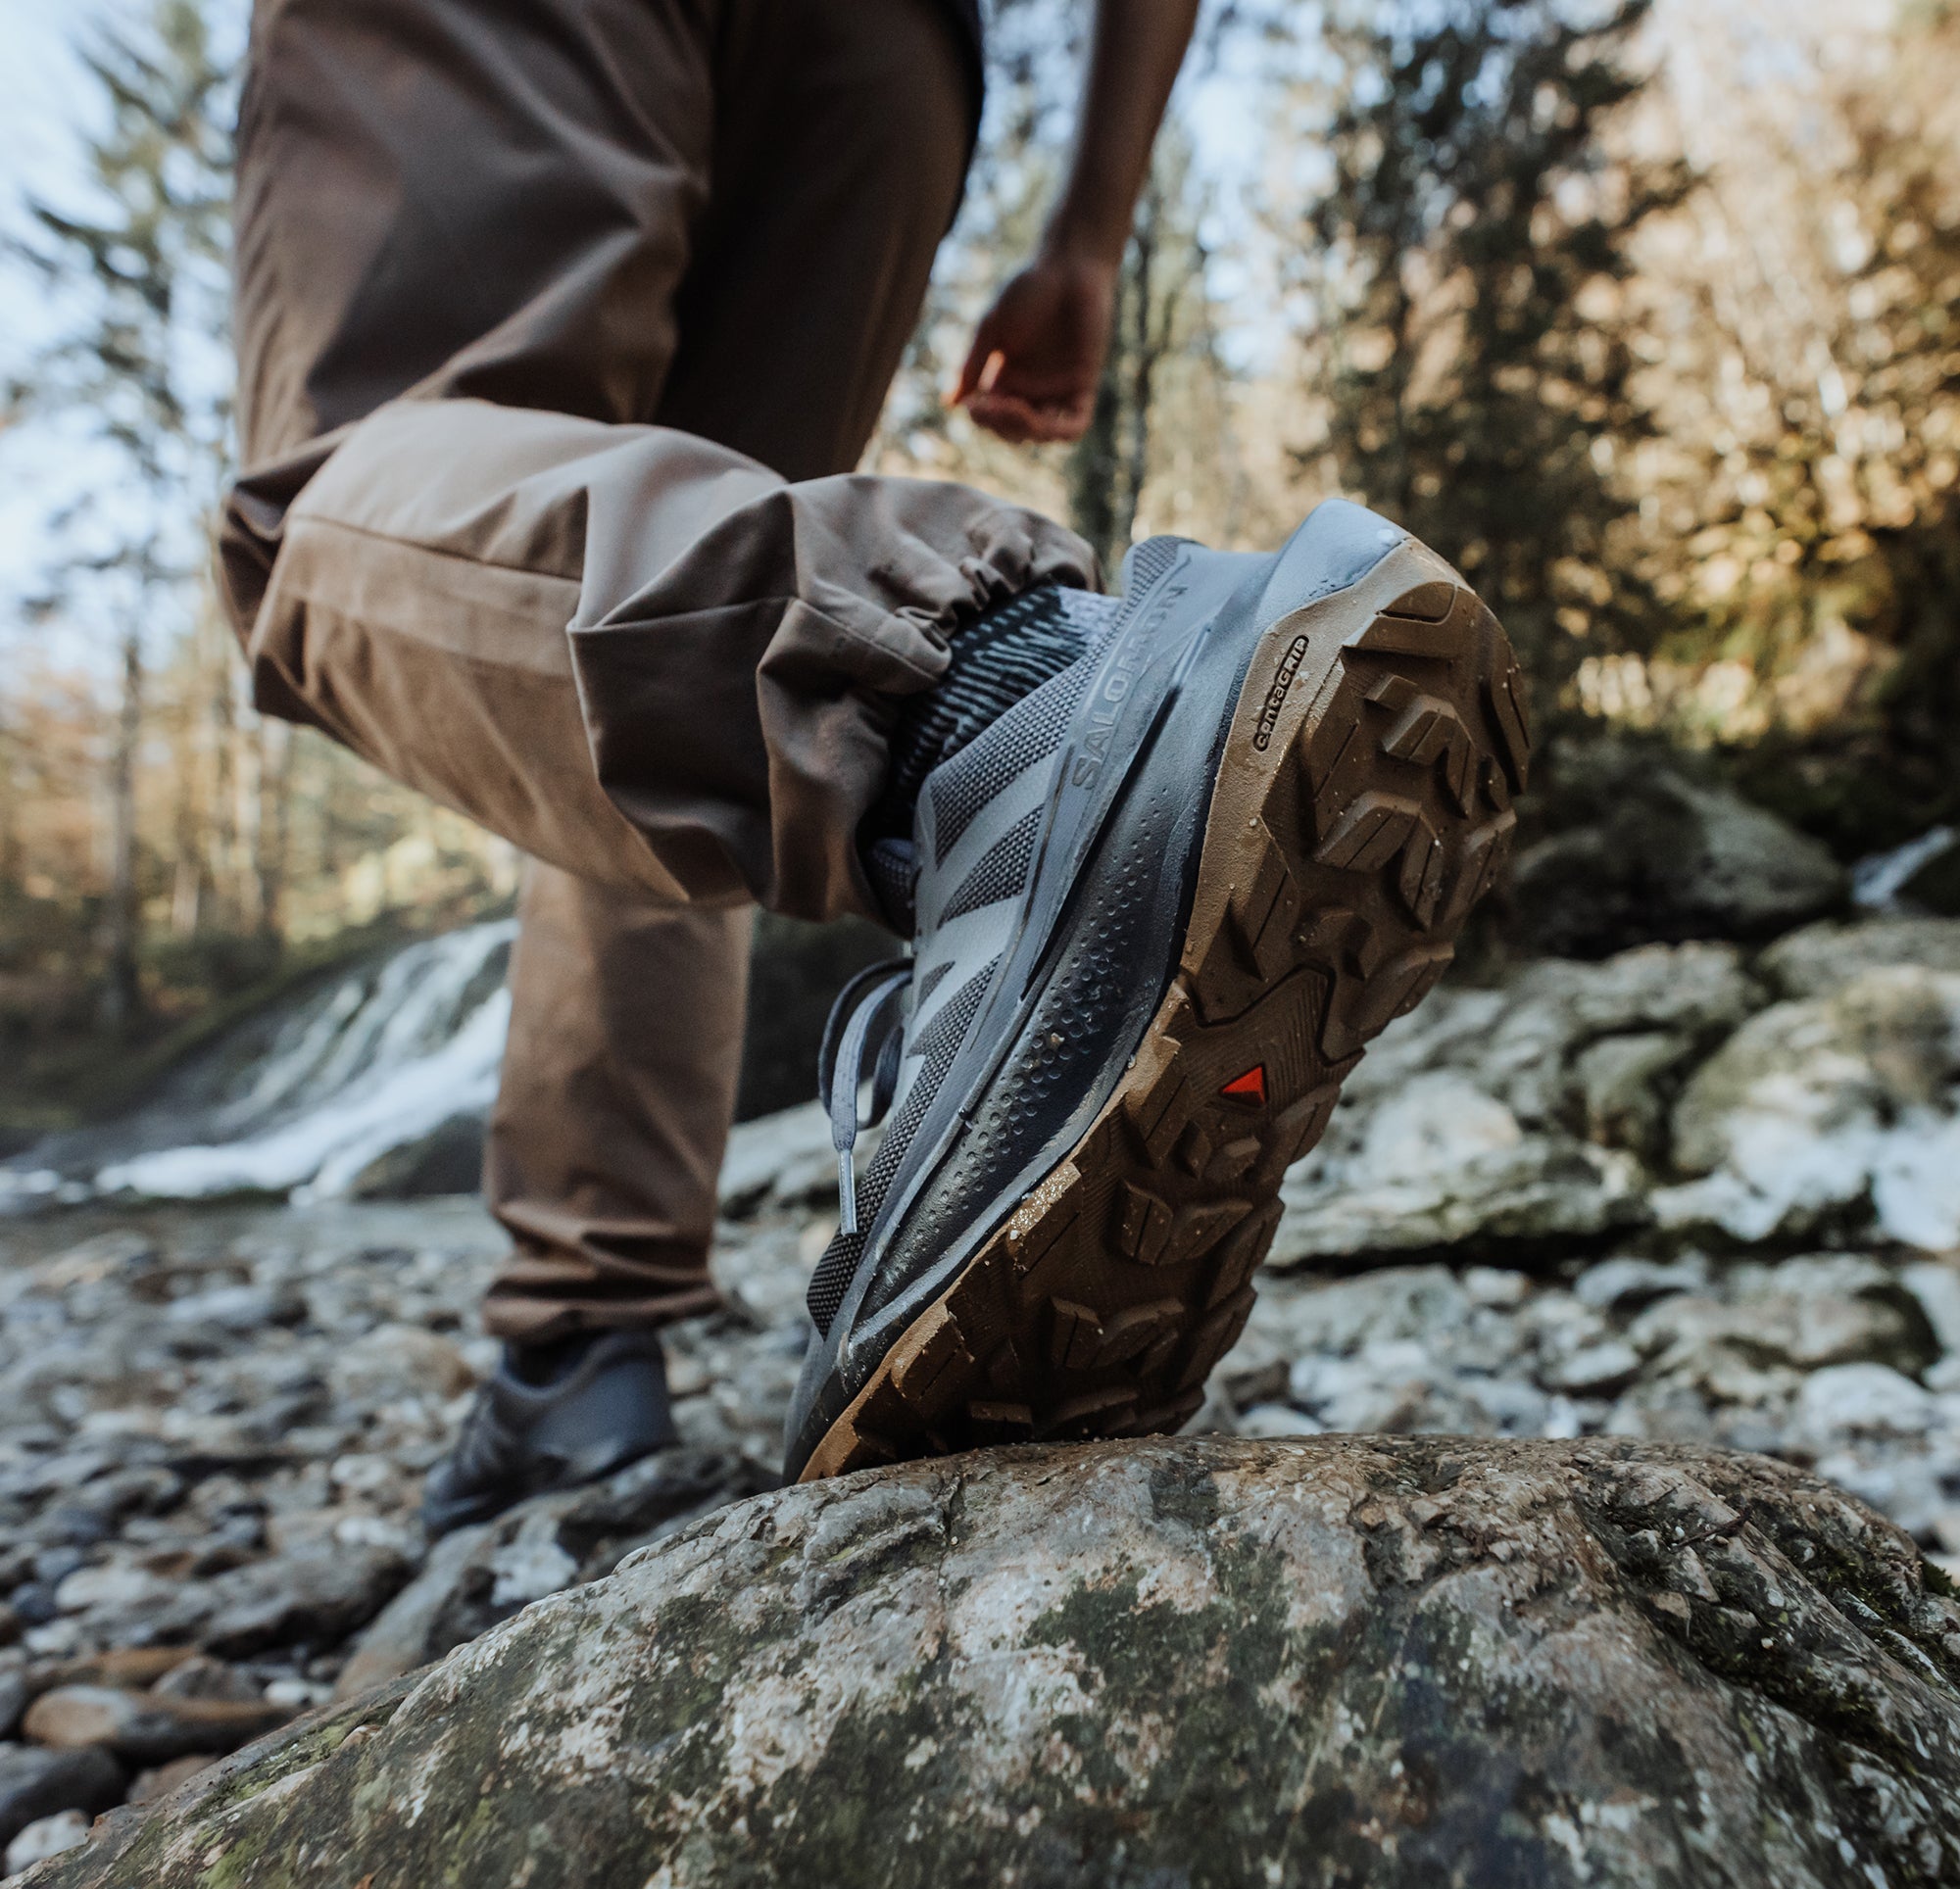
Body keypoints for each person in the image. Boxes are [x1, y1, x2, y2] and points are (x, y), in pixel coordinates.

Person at [220, 0, 1529, 1528]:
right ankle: (578, 1361)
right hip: (880, 59)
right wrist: (1091, 227)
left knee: (332, 511)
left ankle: (1006, 714)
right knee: (660, 663)